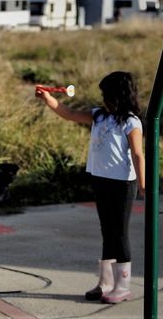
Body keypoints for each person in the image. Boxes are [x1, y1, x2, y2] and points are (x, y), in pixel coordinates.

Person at [35, 71, 145, 304]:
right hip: (101, 180)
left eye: (107, 95)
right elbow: (70, 114)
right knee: (107, 232)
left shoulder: (131, 121)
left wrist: (144, 185)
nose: (103, 99)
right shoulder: (99, 116)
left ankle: (123, 286)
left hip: (123, 184)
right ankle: (105, 283)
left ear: (120, 96)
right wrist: (48, 99)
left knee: (120, 233)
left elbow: (138, 154)